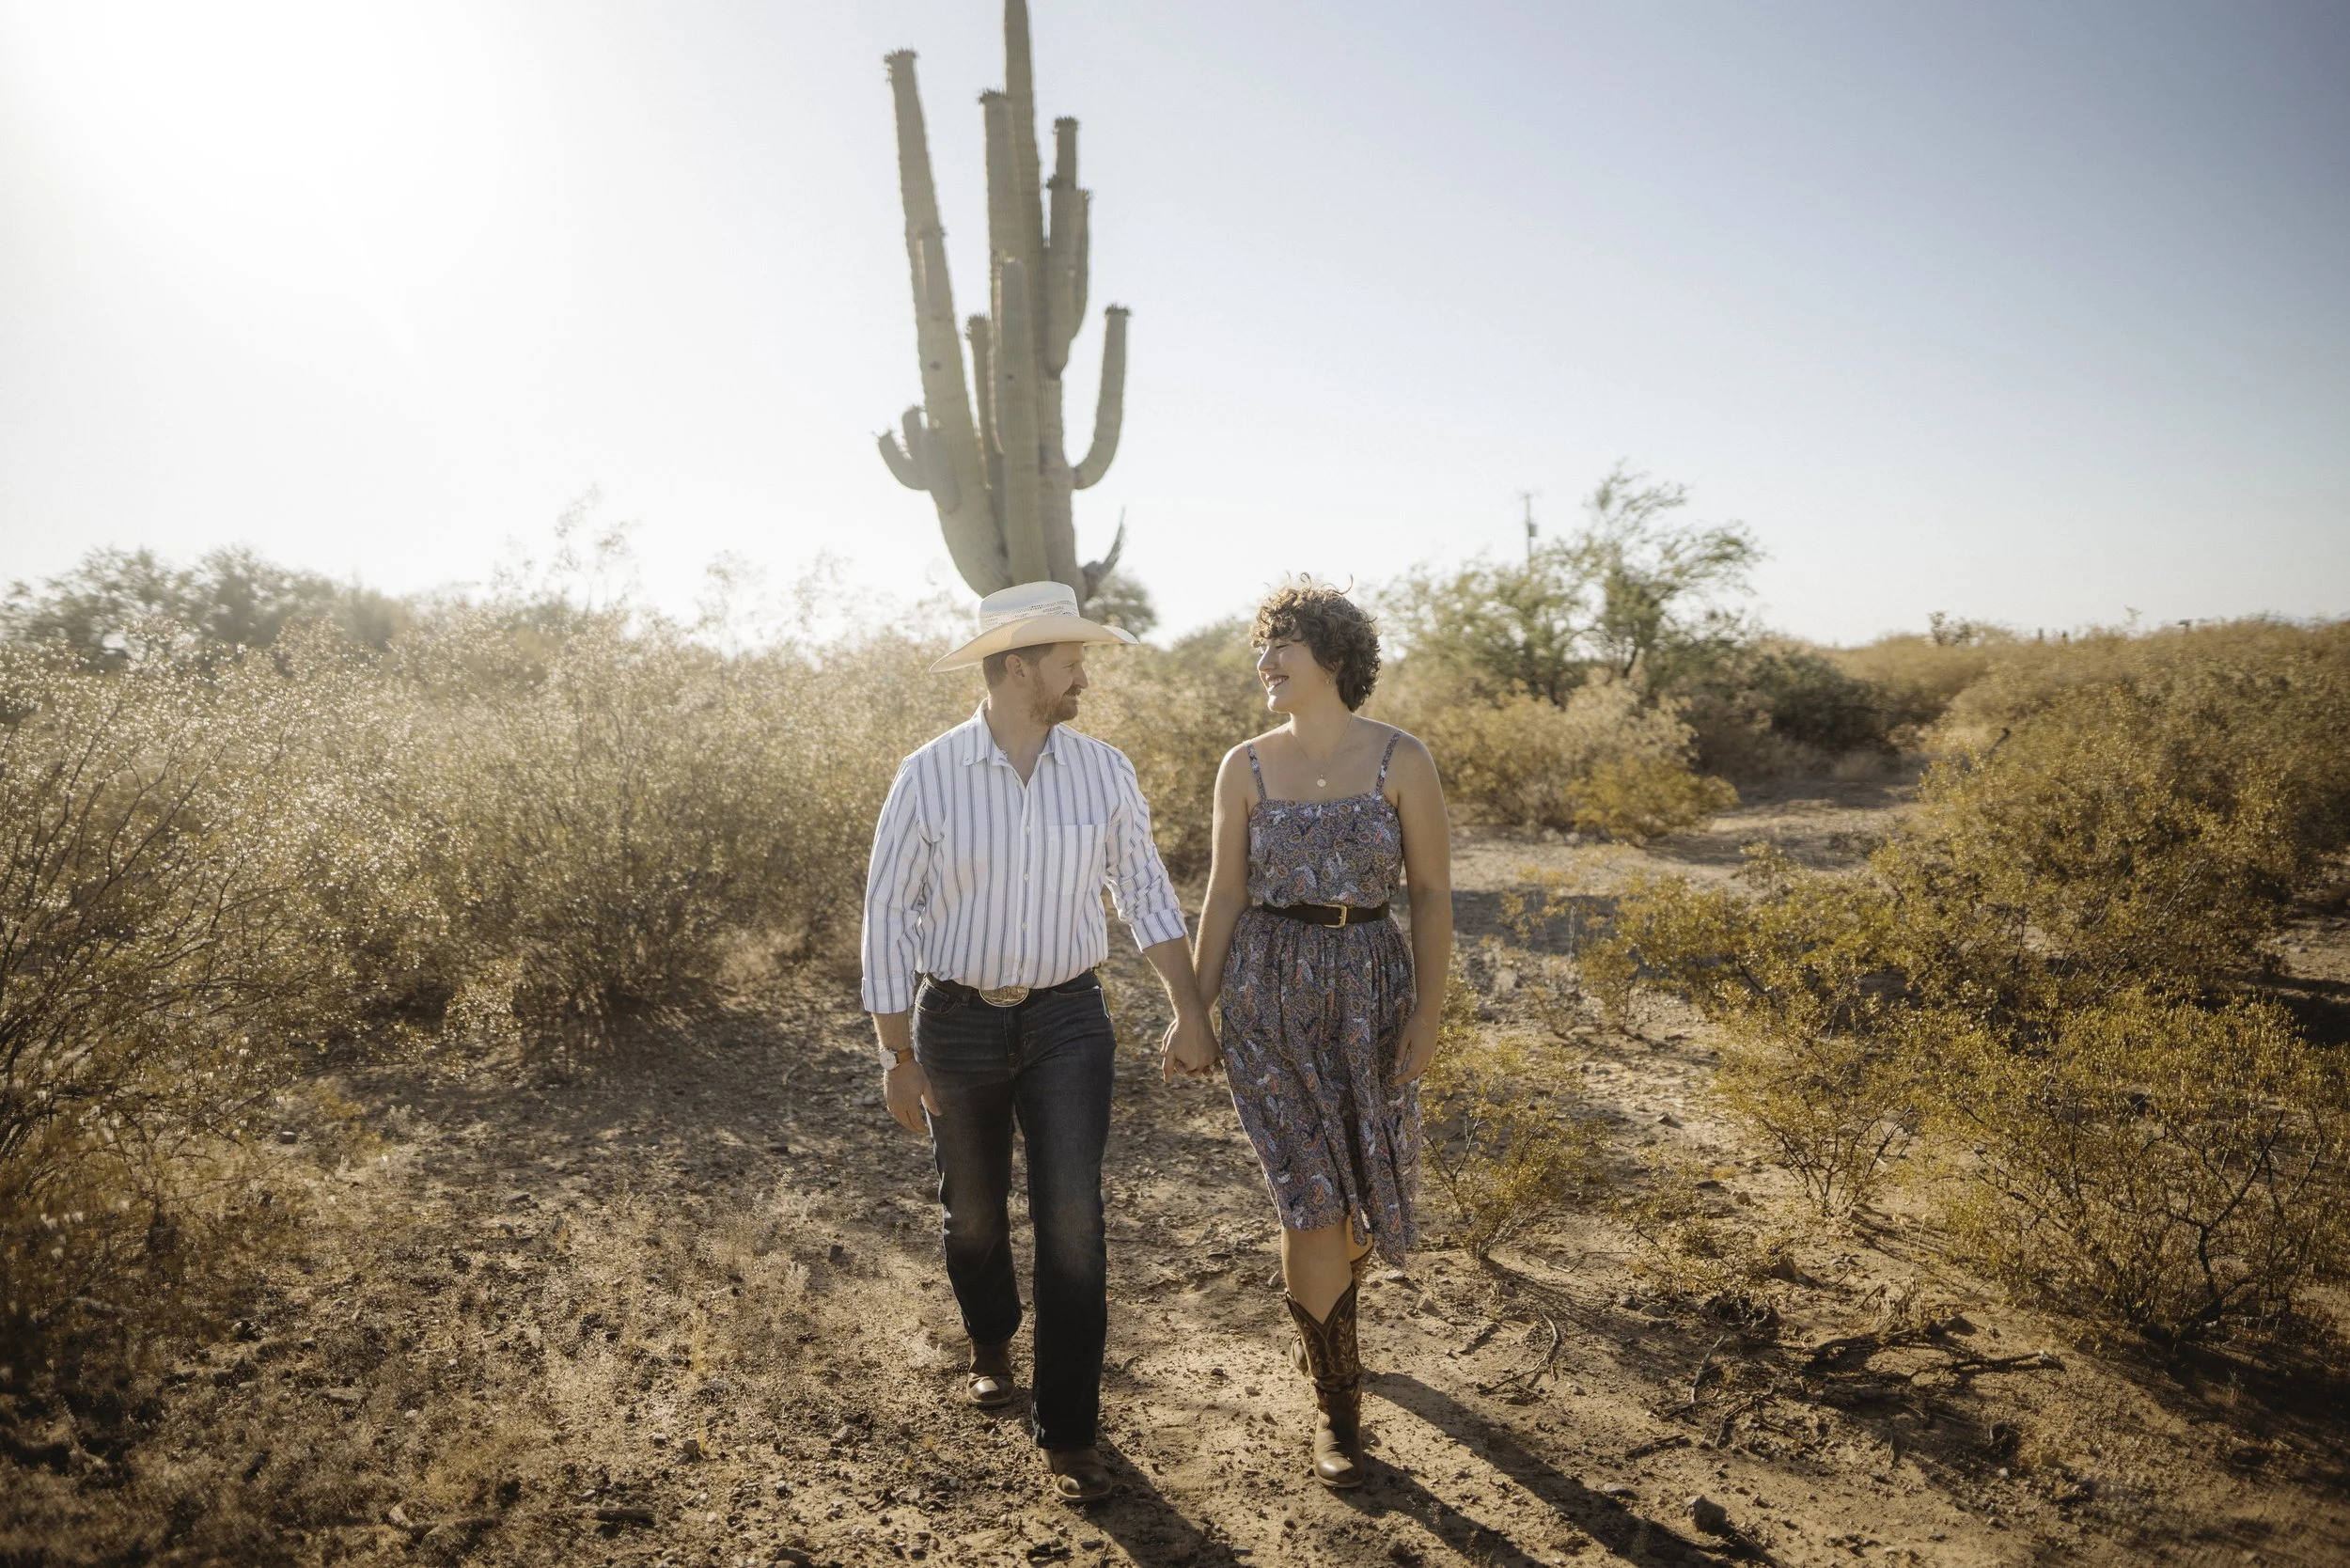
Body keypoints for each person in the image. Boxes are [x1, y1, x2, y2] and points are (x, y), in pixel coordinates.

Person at [862, 579, 1219, 1504]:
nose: (1084, 674)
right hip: (956, 1020)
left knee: (1073, 1221)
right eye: (1071, 658)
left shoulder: (1103, 771)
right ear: (1020, 666)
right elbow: (887, 915)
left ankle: (1069, 1429)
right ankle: (990, 1338)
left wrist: (1188, 1007)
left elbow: (1141, 891)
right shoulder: (928, 774)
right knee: (971, 1211)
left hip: (1068, 1016)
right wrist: (894, 1050)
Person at [1178, 579, 1451, 1488]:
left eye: (1280, 646)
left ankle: (1338, 1270)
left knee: (1353, 1203)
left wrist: (1427, 1013)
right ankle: (1339, 1414)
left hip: (1369, 990)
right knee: (1310, 1201)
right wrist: (1193, 1011)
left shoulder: (1401, 760)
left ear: (1332, 656)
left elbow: (1429, 895)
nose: (1265, 664)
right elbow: (1224, 894)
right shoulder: (1244, 766)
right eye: (1262, 648)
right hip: (1266, 998)